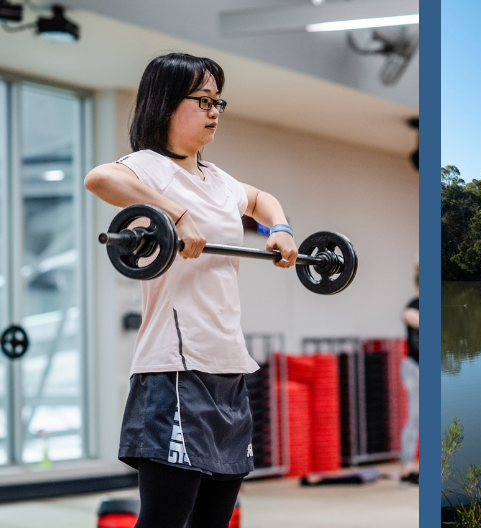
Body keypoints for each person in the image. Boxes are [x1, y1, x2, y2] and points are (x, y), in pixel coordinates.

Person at [84, 53, 298, 527]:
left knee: (214, 521)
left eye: (217, 101)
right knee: (164, 520)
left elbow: (261, 199)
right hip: (176, 369)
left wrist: (278, 229)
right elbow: (100, 178)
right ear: (164, 103)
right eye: (202, 100)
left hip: (228, 368)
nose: (214, 111)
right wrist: (175, 214)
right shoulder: (148, 168)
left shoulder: (220, 181)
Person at [400, 261, 420, 485]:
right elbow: (407, 315)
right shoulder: (414, 304)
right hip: (414, 367)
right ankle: (407, 469)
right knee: (415, 417)